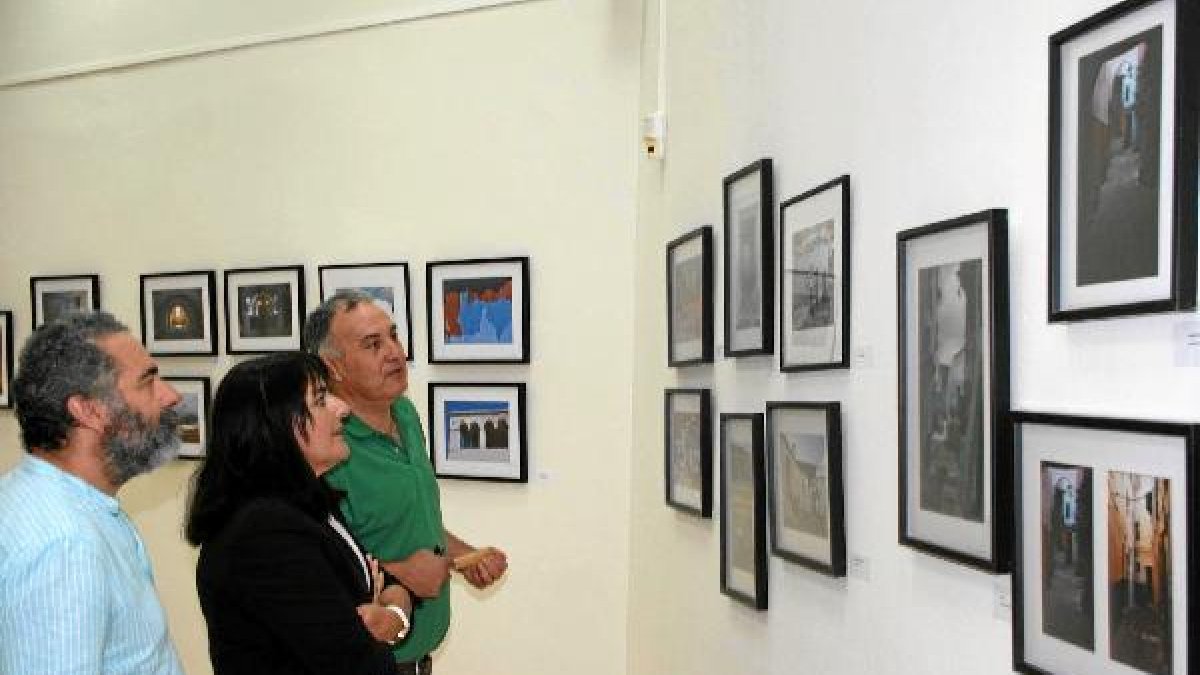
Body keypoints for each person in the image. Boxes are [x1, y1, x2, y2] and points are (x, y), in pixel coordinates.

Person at [304, 290, 508, 675]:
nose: (395, 353)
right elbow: (312, 571)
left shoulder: (405, 413)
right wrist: (401, 571)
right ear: (335, 367)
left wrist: (464, 557)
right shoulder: (327, 444)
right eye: (372, 344)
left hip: (416, 658)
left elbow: (409, 522)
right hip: (366, 661)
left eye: (393, 336)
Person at [185, 352, 414, 674]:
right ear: (277, 425)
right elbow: (351, 660)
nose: (343, 409)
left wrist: (394, 617)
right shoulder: (264, 532)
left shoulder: (309, 502)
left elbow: (389, 583)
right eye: (321, 399)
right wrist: (381, 617)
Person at [0, 312, 185, 674]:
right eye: (148, 382)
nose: (172, 396)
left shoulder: (52, 499)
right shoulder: (66, 545)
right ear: (89, 411)